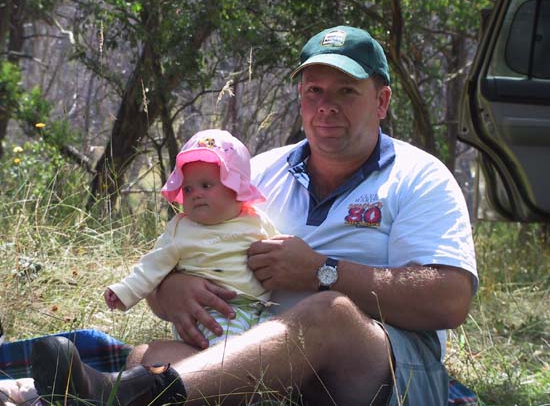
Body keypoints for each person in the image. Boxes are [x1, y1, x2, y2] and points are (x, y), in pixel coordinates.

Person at [30, 25, 477, 406]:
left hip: (387, 371)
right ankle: (145, 390)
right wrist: (171, 288)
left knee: (330, 313)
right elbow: (175, 260)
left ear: (381, 102)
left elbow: (450, 300)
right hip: (259, 353)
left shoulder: (420, 177)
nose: (326, 106)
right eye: (314, 91)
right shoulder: (255, 173)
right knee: (151, 352)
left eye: (347, 91)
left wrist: (324, 273)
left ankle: (124, 396)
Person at [104, 129, 278, 346]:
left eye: (206, 185)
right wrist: (124, 292)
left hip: (259, 308)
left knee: (279, 342)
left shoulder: (255, 219)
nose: (196, 194)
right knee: (227, 350)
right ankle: (223, 376)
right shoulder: (182, 229)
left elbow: (280, 250)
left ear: (237, 189)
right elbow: (152, 266)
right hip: (211, 312)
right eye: (187, 189)